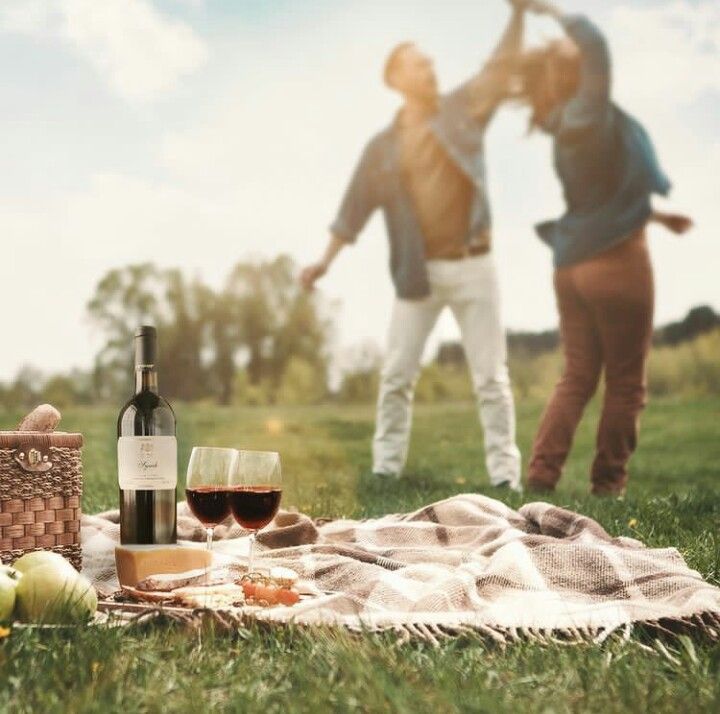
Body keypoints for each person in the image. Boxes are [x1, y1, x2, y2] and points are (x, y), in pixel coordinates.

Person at [301, 1, 530, 490]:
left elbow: (500, 68)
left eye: (431, 63)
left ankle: (506, 478)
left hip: (475, 265)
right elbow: (352, 211)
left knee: (491, 378)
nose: (431, 69)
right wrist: (322, 262)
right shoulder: (381, 148)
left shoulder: (462, 108)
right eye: (419, 65)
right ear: (396, 79)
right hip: (417, 274)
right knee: (396, 377)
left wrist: (518, 15)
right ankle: (385, 470)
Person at [518, 1, 693, 495]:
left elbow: (601, 198)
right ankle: (608, 486)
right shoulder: (589, 113)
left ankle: (540, 477)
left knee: (576, 377)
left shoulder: (569, 126)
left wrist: (657, 216)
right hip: (615, 260)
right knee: (626, 382)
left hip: (572, 262)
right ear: (579, 72)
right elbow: (595, 42)